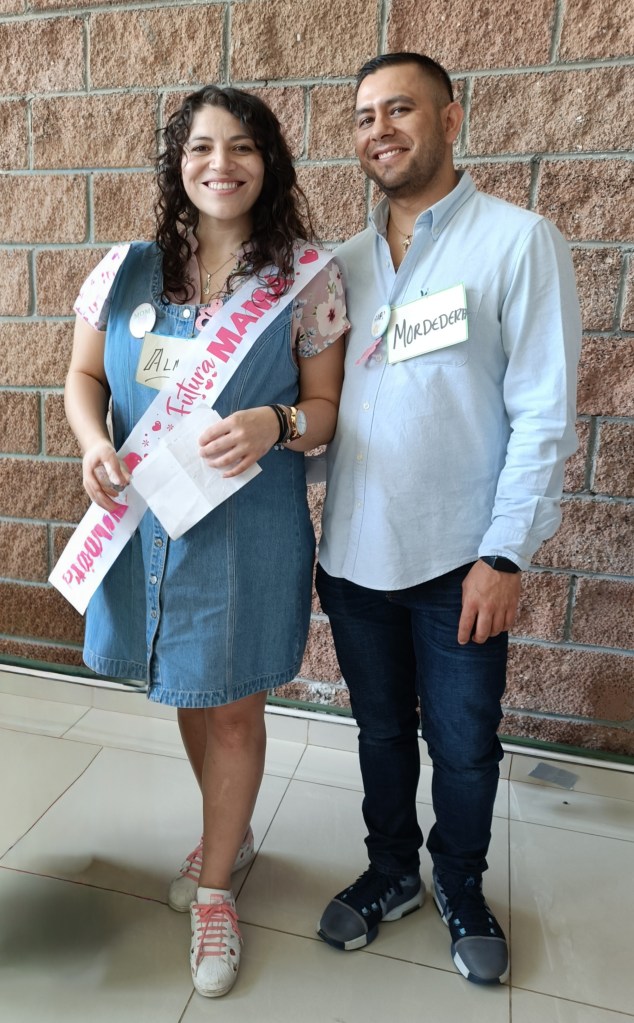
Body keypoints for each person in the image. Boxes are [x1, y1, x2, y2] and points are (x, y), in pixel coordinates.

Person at [64, 85, 346, 999]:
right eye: (200, 148)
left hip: (245, 530)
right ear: (177, 165)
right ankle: (233, 830)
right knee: (191, 687)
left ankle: (217, 887)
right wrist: (94, 442)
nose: (220, 164)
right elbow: (81, 377)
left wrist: (275, 422)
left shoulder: (308, 279)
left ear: (269, 163)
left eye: (242, 147)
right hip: (149, 524)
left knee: (232, 707)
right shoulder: (125, 271)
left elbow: (326, 409)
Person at [315, 53, 581, 985]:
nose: (379, 130)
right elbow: (324, 407)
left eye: (400, 110)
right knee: (380, 731)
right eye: (364, 117)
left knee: (464, 745)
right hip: (353, 555)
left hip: (460, 560)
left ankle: (460, 882)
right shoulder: (340, 267)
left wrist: (507, 553)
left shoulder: (518, 241)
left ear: (451, 118)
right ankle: (393, 869)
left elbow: (544, 413)